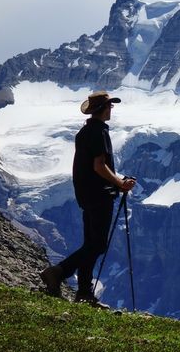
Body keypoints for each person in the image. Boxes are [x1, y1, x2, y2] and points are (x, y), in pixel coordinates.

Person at [39, 91, 136, 304]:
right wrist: (120, 183)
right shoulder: (99, 132)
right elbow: (99, 165)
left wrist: (117, 182)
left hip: (86, 195)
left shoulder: (84, 132)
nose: (112, 109)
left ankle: (83, 291)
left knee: (90, 243)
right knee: (98, 244)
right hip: (100, 195)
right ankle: (58, 272)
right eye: (110, 106)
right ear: (102, 109)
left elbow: (93, 167)